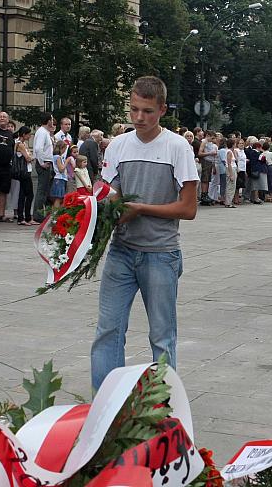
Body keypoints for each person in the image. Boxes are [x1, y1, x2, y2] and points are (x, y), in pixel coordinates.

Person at [91, 76, 198, 391]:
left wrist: (141, 208)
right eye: (134, 109)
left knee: (162, 336)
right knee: (108, 330)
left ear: (162, 109)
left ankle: (162, 404)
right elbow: (109, 193)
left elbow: (188, 208)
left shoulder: (178, 147)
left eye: (148, 111)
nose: (139, 118)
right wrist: (99, 209)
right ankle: (105, 402)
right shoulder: (119, 145)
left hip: (161, 254)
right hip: (121, 251)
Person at [31, 112, 56, 222]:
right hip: (44, 163)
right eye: (51, 119)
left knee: (44, 189)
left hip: (45, 162)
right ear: (48, 120)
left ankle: (41, 212)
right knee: (42, 190)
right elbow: (38, 148)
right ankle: (38, 214)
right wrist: (41, 162)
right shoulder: (42, 132)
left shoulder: (44, 132)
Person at [13, 126, 35, 225]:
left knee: (22, 194)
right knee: (29, 194)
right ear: (23, 134)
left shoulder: (23, 144)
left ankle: (22, 217)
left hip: (26, 171)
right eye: (28, 134)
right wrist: (31, 156)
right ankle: (27, 217)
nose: (30, 136)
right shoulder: (20, 144)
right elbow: (28, 158)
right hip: (24, 172)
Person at [197, 131, 218, 206]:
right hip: (205, 161)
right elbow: (200, 153)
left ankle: (206, 194)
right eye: (212, 138)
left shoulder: (210, 143)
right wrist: (210, 153)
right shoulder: (204, 142)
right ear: (208, 136)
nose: (213, 140)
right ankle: (204, 195)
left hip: (210, 161)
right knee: (205, 179)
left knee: (207, 179)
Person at [219, 138, 237, 208]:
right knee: (230, 186)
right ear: (232, 144)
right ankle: (228, 202)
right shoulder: (229, 152)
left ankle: (229, 201)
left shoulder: (231, 151)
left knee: (232, 186)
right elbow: (229, 163)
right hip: (231, 169)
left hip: (232, 168)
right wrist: (231, 174)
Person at [234, 138, 248, 205]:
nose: (242, 145)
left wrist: (245, 171)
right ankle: (235, 198)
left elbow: (244, 161)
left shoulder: (243, 151)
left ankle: (237, 198)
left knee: (239, 185)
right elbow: (236, 160)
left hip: (243, 169)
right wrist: (237, 169)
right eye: (240, 143)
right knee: (237, 184)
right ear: (237, 144)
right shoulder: (236, 151)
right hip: (238, 169)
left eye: (242, 143)